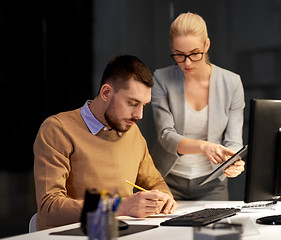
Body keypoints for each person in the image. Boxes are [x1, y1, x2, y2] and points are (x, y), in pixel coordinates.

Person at [33, 55, 177, 230]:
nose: (139, 115)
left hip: (123, 232)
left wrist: (163, 199)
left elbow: (156, 183)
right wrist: (120, 206)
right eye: (132, 103)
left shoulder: (132, 132)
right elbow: (49, 209)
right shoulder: (58, 129)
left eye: (144, 105)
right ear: (106, 92)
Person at [151, 12, 245, 200]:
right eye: (179, 55)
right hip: (167, 181)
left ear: (206, 45)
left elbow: (234, 140)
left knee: (215, 229)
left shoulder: (232, 83)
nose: (187, 63)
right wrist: (204, 147)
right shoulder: (161, 79)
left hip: (212, 183)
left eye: (194, 54)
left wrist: (233, 160)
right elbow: (165, 136)